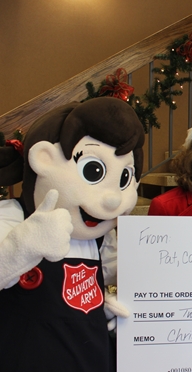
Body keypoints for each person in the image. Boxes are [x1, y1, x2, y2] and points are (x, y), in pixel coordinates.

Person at [0, 97, 145, 371]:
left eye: (124, 178)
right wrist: (22, 247)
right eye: (94, 171)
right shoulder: (11, 217)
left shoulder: (99, 239)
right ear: (44, 159)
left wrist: (100, 304)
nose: (113, 199)